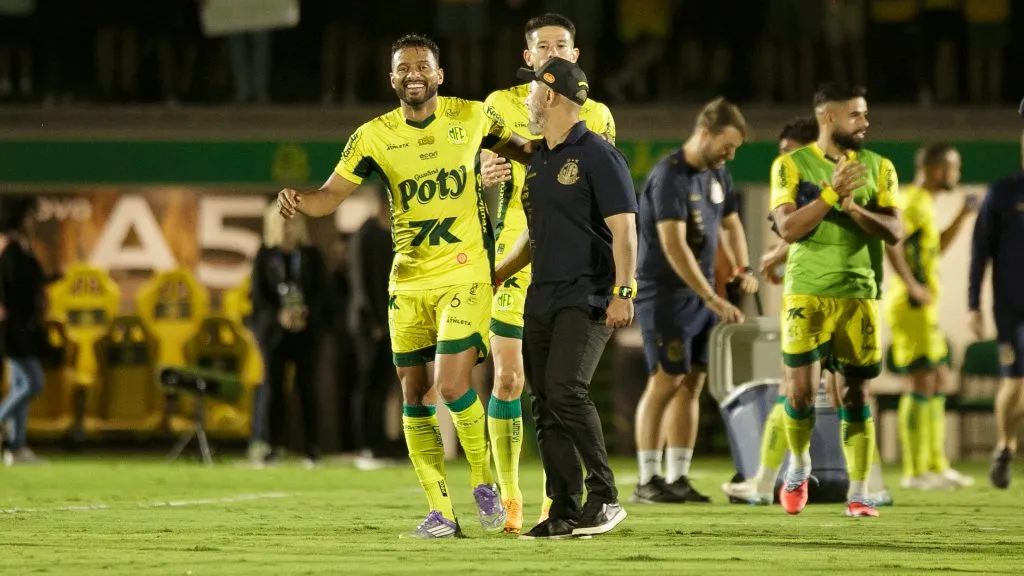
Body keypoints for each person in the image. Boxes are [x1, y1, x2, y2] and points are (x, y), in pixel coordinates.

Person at [277, 33, 537, 538]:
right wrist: (296, 199)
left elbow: (526, 151)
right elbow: (329, 196)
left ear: (440, 75)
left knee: (453, 383)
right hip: (408, 280)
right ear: (392, 78)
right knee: (414, 393)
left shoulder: (473, 116)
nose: (413, 73)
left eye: (422, 65)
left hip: (465, 272)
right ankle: (442, 513)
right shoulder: (373, 135)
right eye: (403, 67)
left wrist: (562, 167)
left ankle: (484, 483)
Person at [479, 12, 616, 534]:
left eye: (562, 44)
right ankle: (511, 494)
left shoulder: (595, 114)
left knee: (558, 386)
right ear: (528, 56)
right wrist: (485, 176)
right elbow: (479, 171)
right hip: (515, 250)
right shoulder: (499, 104)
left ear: (575, 56)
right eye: (543, 45)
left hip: (566, 261)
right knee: (513, 381)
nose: (553, 51)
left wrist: (620, 281)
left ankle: (559, 498)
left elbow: (599, 182)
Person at [727, 116, 894, 508]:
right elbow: (799, 231)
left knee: (846, 396)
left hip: (851, 293)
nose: (784, 158)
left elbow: (820, 228)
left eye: (789, 151)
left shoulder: (847, 173)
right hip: (810, 295)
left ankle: (857, 484)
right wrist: (779, 253)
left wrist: (777, 252)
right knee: (800, 391)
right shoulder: (795, 181)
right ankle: (777, 479)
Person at [770, 82, 902, 518]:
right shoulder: (791, 166)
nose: (865, 123)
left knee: (856, 394)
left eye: (865, 114)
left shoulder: (880, 167)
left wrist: (853, 208)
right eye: (856, 115)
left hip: (859, 295)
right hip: (806, 291)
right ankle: (799, 467)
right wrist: (829, 196)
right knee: (803, 394)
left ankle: (860, 492)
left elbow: (895, 231)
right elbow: (788, 230)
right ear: (828, 117)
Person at [630, 98, 755, 504]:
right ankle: (648, 480)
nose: (730, 154)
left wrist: (744, 268)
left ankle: (677, 476)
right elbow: (672, 244)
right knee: (665, 380)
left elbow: (732, 223)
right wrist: (711, 296)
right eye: (727, 145)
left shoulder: (717, 174)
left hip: (703, 295)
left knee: (692, 383)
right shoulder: (669, 176)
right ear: (705, 133)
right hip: (666, 294)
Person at [884, 143, 976, 490]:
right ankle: (914, 470)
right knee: (920, 380)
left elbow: (933, 245)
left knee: (937, 378)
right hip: (909, 306)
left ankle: (936, 465)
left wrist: (962, 218)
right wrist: (911, 285)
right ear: (938, 169)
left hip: (924, 306)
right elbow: (891, 241)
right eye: (955, 167)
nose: (957, 174)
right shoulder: (910, 200)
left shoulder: (926, 204)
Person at [968, 129, 1024, 490]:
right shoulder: (1004, 193)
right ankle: (1005, 447)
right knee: (1015, 381)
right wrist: (973, 305)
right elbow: (980, 252)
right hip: (1013, 309)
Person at [251, 213, 327, 467]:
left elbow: (323, 293)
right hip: (274, 334)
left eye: (293, 221)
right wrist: (279, 315)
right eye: (283, 221)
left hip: (306, 333)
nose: (288, 226)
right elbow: (259, 297)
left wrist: (306, 313)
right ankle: (272, 446)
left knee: (307, 388)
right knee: (274, 388)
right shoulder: (265, 256)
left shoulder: (311, 255)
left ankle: (312, 448)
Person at [350, 183, 400, 466]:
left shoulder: (390, 235)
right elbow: (362, 286)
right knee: (368, 383)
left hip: (388, 323)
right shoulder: (365, 235)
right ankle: (366, 442)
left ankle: (380, 440)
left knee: (383, 385)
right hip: (369, 325)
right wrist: (374, 323)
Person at [0, 197, 48, 465]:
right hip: (13, 330)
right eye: (30, 215)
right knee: (33, 383)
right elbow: (17, 287)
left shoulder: (17, 248)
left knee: (21, 384)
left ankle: (15, 448)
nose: (33, 221)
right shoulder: (10, 250)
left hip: (19, 327)